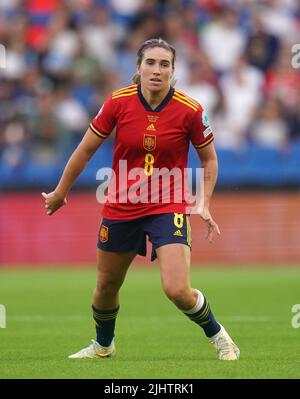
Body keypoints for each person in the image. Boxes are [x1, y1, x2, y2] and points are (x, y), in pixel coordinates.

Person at [42, 38, 240, 361]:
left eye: (165, 65)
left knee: (177, 289)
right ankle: (103, 346)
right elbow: (86, 148)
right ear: (138, 68)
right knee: (106, 286)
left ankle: (219, 336)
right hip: (122, 203)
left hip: (168, 204)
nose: (157, 70)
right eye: (150, 63)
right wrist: (61, 192)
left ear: (174, 72)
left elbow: (210, 159)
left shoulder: (190, 111)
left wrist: (204, 201)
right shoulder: (118, 102)